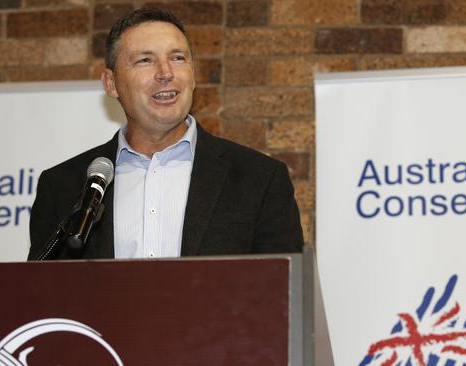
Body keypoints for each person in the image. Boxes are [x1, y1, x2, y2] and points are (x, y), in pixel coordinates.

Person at [27, 8, 304, 260]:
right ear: (111, 84)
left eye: (177, 58)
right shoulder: (63, 187)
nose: (166, 73)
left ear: (193, 76)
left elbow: (283, 295)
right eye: (145, 60)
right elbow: (43, 297)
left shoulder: (260, 179)